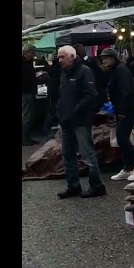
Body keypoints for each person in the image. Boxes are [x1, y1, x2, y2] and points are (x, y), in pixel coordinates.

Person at [55, 45, 105, 199]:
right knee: (67, 155)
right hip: (67, 121)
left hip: (80, 121)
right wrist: (60, 112)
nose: (60, 60)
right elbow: (63, 95)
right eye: (59, 57)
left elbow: (90, 95)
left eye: (62, 57)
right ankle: (73, 186)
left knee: (87, 154)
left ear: (71, 56)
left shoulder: (85, 71)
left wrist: (74, 111)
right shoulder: (64, 73)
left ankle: (96, 186)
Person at [102, 48, 134, 180]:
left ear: (114, 58)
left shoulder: (120, 70)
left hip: (127, 110)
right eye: (103, 58)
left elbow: (125, 92)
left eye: (107, 58)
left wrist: (121, 111)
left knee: (122, 138)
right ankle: (129, 167)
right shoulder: (117, 70)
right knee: (122, 138)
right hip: (124, 110)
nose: (104, 61)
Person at [21, 45, 40, 146]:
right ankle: (24, 138)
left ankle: (26, 137)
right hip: (26, 92)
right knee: (26, 117)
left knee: (27, 116)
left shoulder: (27, 63)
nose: (34, 55)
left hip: (28, 92)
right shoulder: (24, 64)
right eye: (33, 52)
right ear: (27, 53)